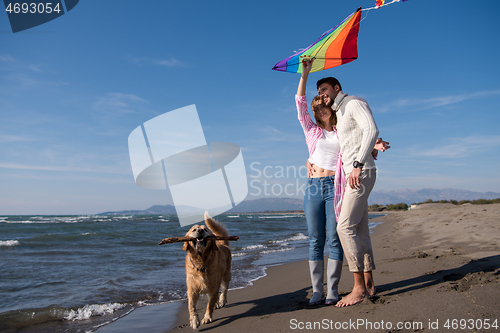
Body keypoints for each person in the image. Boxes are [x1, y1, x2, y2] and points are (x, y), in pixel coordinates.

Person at [296, 60, 389, 306]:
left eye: (324, 93)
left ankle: (338, 290)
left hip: (341, 181)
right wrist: (305, 74)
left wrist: (373, 146)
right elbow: (300, 104)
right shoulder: (313, 131)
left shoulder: (345, 117)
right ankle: (326, 289)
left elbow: (362, 134)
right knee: (327, 237)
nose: (321, 100)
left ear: (336, 89)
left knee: (340, 232)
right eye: (318, 99)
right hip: (321, 184)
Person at [316, 75, 381, 307]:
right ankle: (369, 283)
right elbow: (360, 139)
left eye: (325, 89)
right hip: (353, 175)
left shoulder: (353, 103)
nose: (322, 94)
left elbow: (371, 129)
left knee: (343, 227)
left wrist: (358, 164)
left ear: (337, 88)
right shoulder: (340, 113)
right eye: (319, 91)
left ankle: (358, 288)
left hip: (359, 173)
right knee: (360, 228)